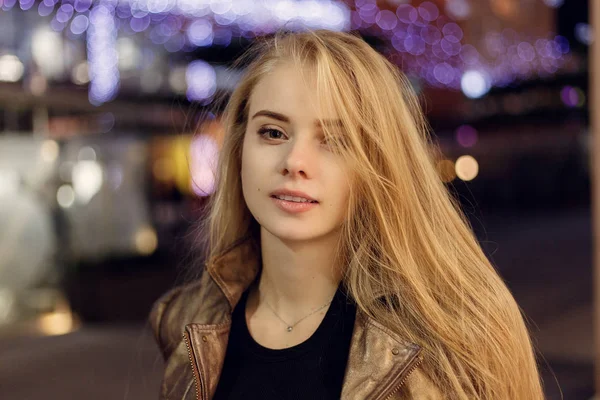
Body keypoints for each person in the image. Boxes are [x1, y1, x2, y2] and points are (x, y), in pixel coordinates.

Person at [150, 30, 543, 399]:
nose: (295, 162)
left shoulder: (461, 334)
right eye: (272, 132)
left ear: (381, 161)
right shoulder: (184, 321)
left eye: (335, 140)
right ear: (238, 148)